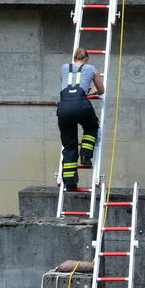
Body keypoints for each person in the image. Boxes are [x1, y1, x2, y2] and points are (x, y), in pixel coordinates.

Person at [57, 47, 105, 192]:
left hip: (64, 107)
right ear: (87, 59)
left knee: (69, 146)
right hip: (81, 105)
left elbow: (65, 83)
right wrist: (93, 91)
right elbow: (101, 89)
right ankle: (85, 155)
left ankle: (70, 183)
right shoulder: (90, 68)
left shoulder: (64, 67)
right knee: (91, 127)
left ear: (74, 58)